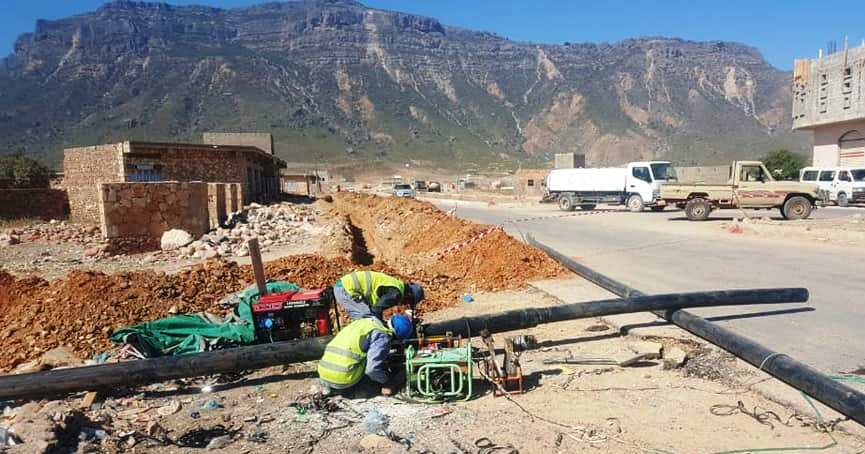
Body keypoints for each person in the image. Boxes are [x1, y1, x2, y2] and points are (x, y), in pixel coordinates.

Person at [317, 313, 413, 396]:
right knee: (373, 370)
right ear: (395, 334)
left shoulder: (364, 322)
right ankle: (353, 390)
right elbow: (371, 370)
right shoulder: (382, 336)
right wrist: (387, 381)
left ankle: (332, 388)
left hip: (323, 374)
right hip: (343, 379)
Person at [334, 271, 424, 320]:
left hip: (344, 286)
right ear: (409, 295)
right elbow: (376, 310)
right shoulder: (395, 293)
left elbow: (377, 309)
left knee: (368, 318)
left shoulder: (396, 286)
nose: (405, 304)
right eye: (408, 302)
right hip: (346, 288)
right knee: (366, 318)